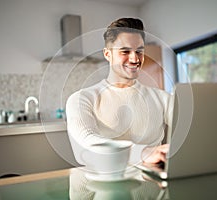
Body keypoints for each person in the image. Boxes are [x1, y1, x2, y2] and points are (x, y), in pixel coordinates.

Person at [66, 17, 173, 167]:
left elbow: (195, 130)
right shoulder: (81, 99)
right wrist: (144, 153)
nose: (135, 58)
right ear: (107, 54)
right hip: (104, 185)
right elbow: (86, 141)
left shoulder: (162, 98)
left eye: (139, 51)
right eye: (125, 51)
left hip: (154, 184)